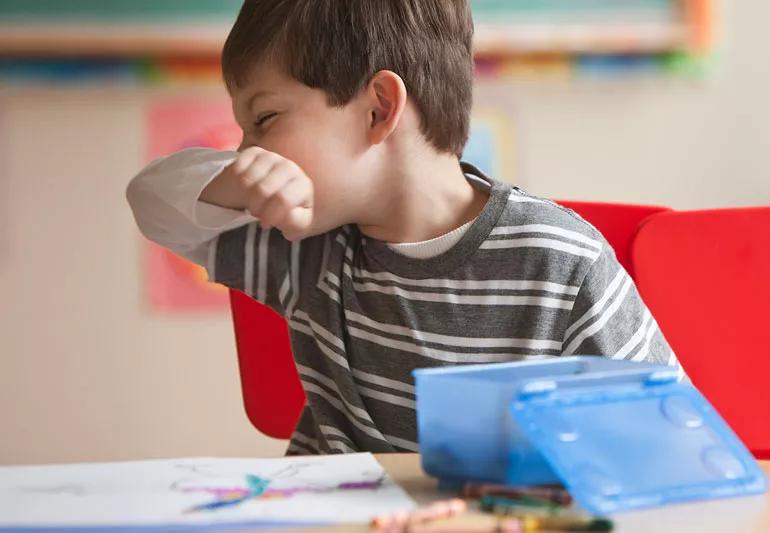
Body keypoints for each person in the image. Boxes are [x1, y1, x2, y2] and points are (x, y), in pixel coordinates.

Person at [127, 0, 681, 456]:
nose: (249, 150)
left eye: (265, 119)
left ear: (378, 109)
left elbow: (666, 445)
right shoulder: (308, 248)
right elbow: (151, 201)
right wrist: (236, 182)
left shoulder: (561, 261)